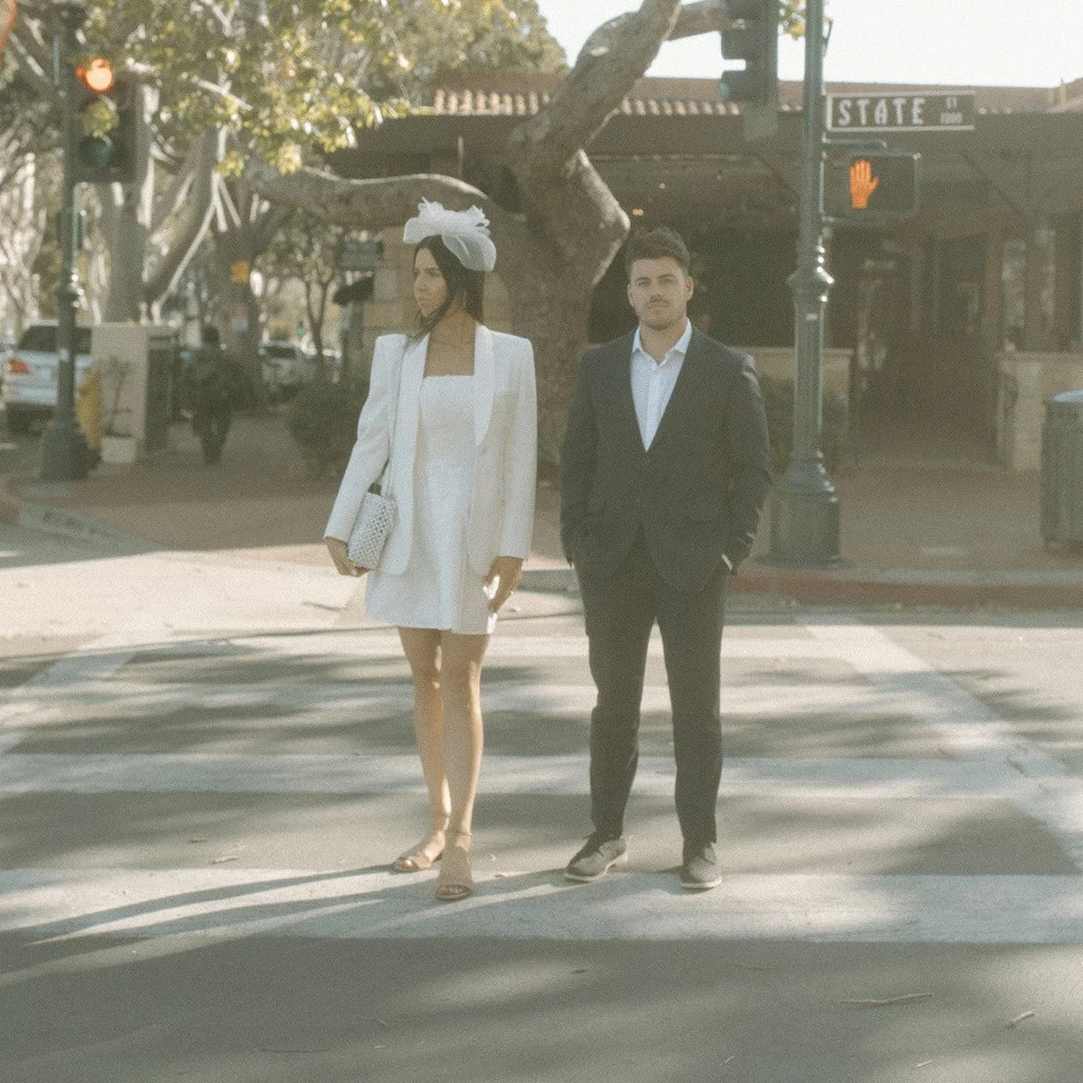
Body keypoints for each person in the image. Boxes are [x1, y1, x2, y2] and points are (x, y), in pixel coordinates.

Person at [324, 201, 537, 901]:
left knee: (464, 676)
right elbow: (372, 442)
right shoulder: (397, 355)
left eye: (430, 275)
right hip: (411, 537)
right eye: (414, 274)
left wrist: (514, 548)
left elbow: (518, 459)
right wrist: (341, 521)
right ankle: (437, 820)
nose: (418, 287)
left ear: (462, 280)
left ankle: (464, 842)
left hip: (472, 541)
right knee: (425, 678)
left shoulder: (510, 356)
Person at [560, 227, 771, 891]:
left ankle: (699, 840)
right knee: (613, 705)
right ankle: (605, 833)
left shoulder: (725, 368)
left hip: (693, 563)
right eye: (643, 281)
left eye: (666, 280)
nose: (655, 292)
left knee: (695, 708)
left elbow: (754, 469)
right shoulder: (598, 367)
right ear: (628, 293)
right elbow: (575, 463)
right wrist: (576, 542)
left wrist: (729, 552)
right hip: (613, 562)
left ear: (688, 286)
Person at [188, 325, 239, 465]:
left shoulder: (197, 355)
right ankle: (216, 447)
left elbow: (189, 373)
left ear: (204, 338)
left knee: (205, 424)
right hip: (221, 394)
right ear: (217, 338)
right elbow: (234, 372)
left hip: (202, 393)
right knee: (223, 424)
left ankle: (208, 454)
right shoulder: (223, 355)